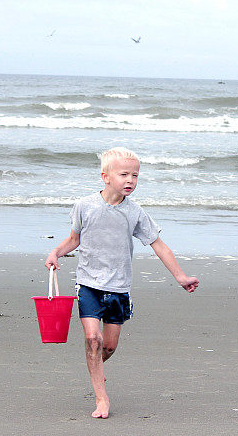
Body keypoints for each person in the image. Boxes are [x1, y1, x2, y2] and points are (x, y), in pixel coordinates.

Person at [45, 146, 199, 419]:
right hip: (88, 284)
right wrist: (55, 253)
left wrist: (180, 276)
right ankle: (101, 398)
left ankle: (96, 370)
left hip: (118, 288)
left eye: (135, 176)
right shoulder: (85, 206)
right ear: (105, 177)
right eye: (124, 174)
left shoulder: (135, 213)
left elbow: (158, 245)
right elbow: (74, 239)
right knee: (92, 339)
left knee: (108, 347)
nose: (130, 180)